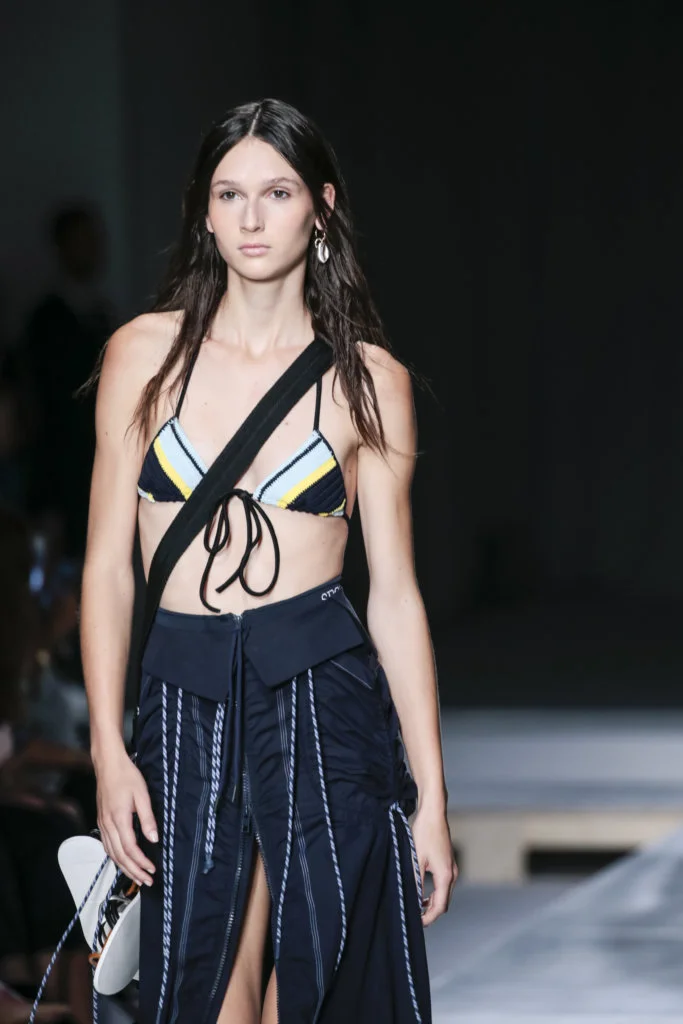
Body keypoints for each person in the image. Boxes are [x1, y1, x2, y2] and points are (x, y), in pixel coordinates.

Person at [81, 98, 457, 1024]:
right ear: (203, 213)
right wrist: (105, 751)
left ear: (320, 208)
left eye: (278, 192)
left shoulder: (369, 380)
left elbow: (395, 596)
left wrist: (434, 796)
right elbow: (107, 570)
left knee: (328, 981)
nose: (251, 217)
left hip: (323, 696)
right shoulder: (141, 356)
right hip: (184, 697)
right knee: (199, 987)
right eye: (230, 194)